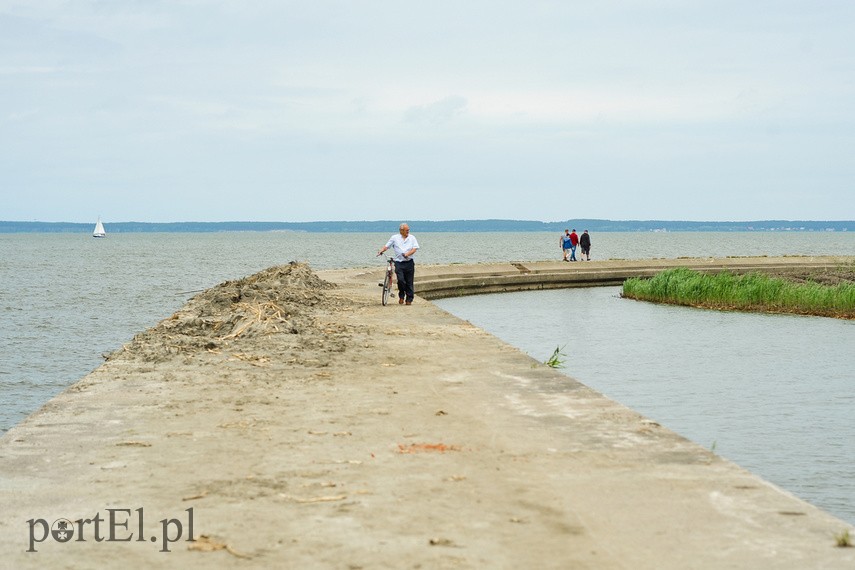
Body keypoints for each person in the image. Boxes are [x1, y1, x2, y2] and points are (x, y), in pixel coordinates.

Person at [377, 223, 420, 305]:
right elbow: (387, 246)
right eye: (406, 230)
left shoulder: (412, 238)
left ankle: (409, 299)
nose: (408, 231)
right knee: (401, 280)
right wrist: (381, 251)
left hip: (409, 262)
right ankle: (401, 295)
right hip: (399, 262)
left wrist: (407, 254)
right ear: (401, 231)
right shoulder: (394, 238)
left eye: (408, 230)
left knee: (409, 282)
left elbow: (415, 248)